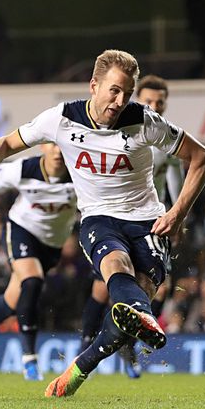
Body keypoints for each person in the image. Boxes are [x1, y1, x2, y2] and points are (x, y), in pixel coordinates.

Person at [0, 49, 205, 397]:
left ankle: (83, 363)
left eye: (127, 93)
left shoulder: (144, 121)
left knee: (131, 303)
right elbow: (11, 141)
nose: (120, 100)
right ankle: (136, 319)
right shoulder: (61, 118)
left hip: (147, 220)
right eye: (114, 90)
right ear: (93, 85)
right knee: (116, 267)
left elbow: (202, 157)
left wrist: (177, 214)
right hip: (99, 218)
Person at [78, 74, 185, 379]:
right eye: (148, 101)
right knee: (104, 289)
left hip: (151, 225)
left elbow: (176, 192)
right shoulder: (116, 133)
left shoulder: (167, 143)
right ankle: (84, 347)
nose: (154, 106)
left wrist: (178, 220)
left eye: (159, 103)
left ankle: (126, 346)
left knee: (156, 295)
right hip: (112, 221)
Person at [0, 143, 76, 381]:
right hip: (21, 230)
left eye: (62, 145)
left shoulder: (80, 174)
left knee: (12, 303)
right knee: (32, 281)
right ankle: (29, 359)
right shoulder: (24, 169)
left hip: (52, 245)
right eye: (52, 144)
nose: (58, 151)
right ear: (42, 146)